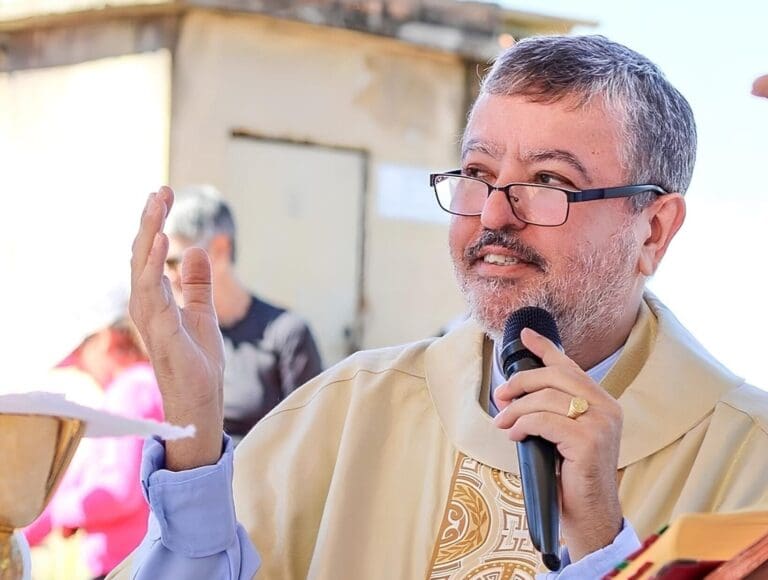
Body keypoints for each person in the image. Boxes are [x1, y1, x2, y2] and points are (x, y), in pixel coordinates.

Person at [113, 35, 768, 579]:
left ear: (653, 231)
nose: (494, 215)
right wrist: (194, 437)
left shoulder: (747, 461)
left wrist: (602, 546)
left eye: (549, 181)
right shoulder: (351, 409)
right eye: (478, 173)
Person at [162, 184, 323, 444]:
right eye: (162, 264)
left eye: (174, 262)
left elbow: (312, 439)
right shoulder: (177, 336)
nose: (168, 276)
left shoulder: (287, 334)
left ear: (220, 249)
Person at [25, 295, 164, 579]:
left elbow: (118, 492)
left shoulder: (129, 391)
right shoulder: (147, 386)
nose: (81, 368)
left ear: (105, 341)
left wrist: (62, 512)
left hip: (129, 566)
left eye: (82, 357)